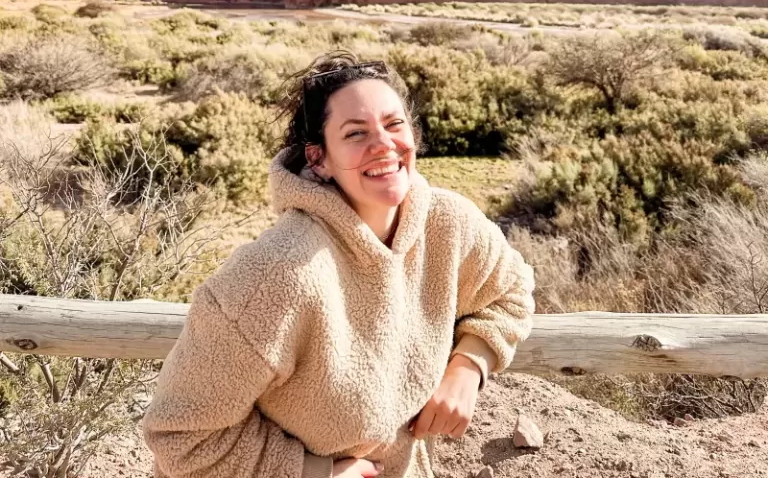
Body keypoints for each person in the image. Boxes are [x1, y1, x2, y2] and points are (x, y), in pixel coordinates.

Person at [142, 53, 535, 478]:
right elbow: (179, 437)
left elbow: (510, 290)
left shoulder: (448, 222)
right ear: (319, 159)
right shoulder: (278, 274)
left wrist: (469, 364)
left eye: (394, 124)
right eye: (355, 133)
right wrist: (312, 472)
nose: (383, 143)